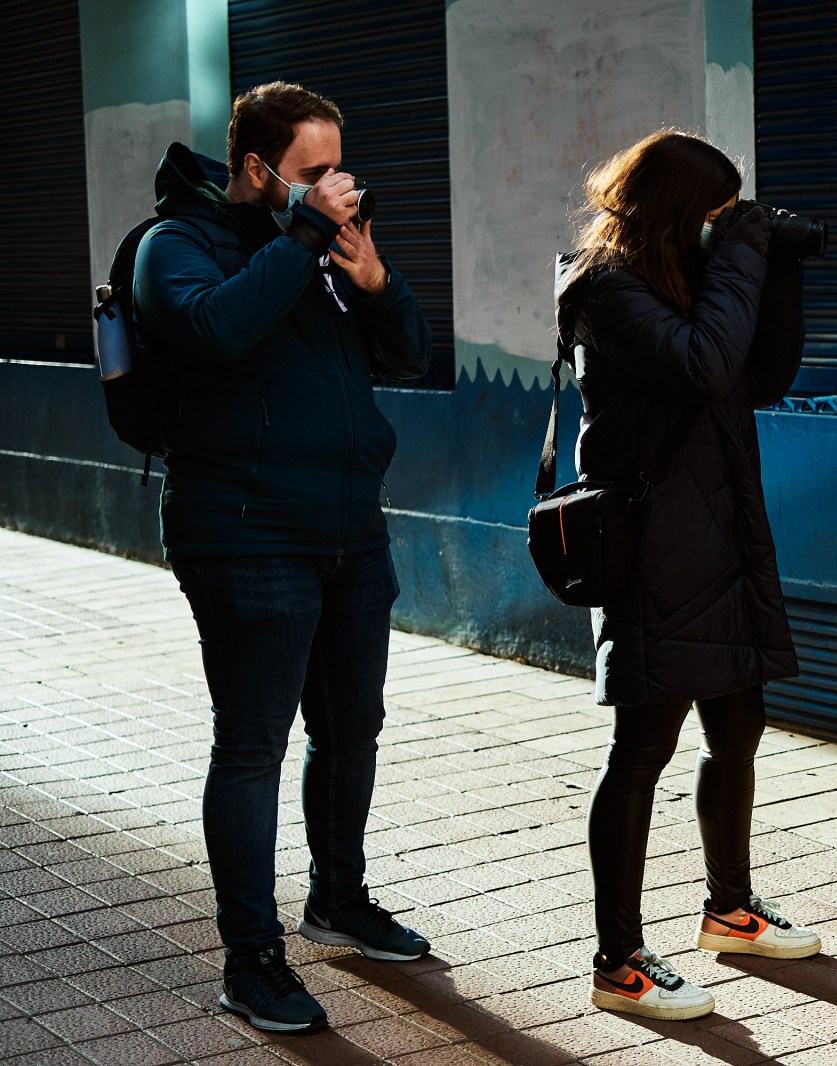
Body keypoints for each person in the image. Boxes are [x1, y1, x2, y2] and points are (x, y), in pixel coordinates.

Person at [132, 82, 433, 1032]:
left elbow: (410, 359)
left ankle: (337, 898)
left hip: (350, 526)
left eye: (338, 169)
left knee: (353, 728)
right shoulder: (174, 245)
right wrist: (301, 239)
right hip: (244, 526)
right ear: (258, 168)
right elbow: (217, 329)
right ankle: (251, 958)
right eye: (311, 175)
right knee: (253, 742)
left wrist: (378, 283)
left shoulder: (325, 251)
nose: (332, 189)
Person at [554, 129, 821, 1022]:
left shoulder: (689, 282)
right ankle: (617, 959)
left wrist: (773, 269)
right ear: (677, 213)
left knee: (737, 732)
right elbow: (706, 366)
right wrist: (743, 252)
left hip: (726, 534)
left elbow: (764, 375)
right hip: (656, 548)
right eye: (716, 212)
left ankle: (729, 910)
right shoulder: (609, 291)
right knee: (641, 753)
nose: (727, 227)